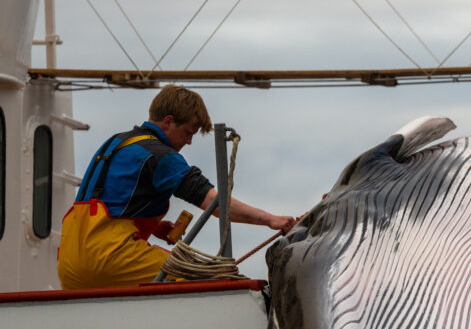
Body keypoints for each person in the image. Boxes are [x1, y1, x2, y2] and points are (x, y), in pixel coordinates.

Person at [57, 85, 295, 289]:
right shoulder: (161, 156)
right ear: (168, 122)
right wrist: (270, 220)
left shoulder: (116, 143)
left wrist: (157, 227)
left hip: (69, 264)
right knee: (211, 282)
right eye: (188, 133)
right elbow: (217, 205)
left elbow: (107, 203)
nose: (189, 142)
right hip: (108, 259)